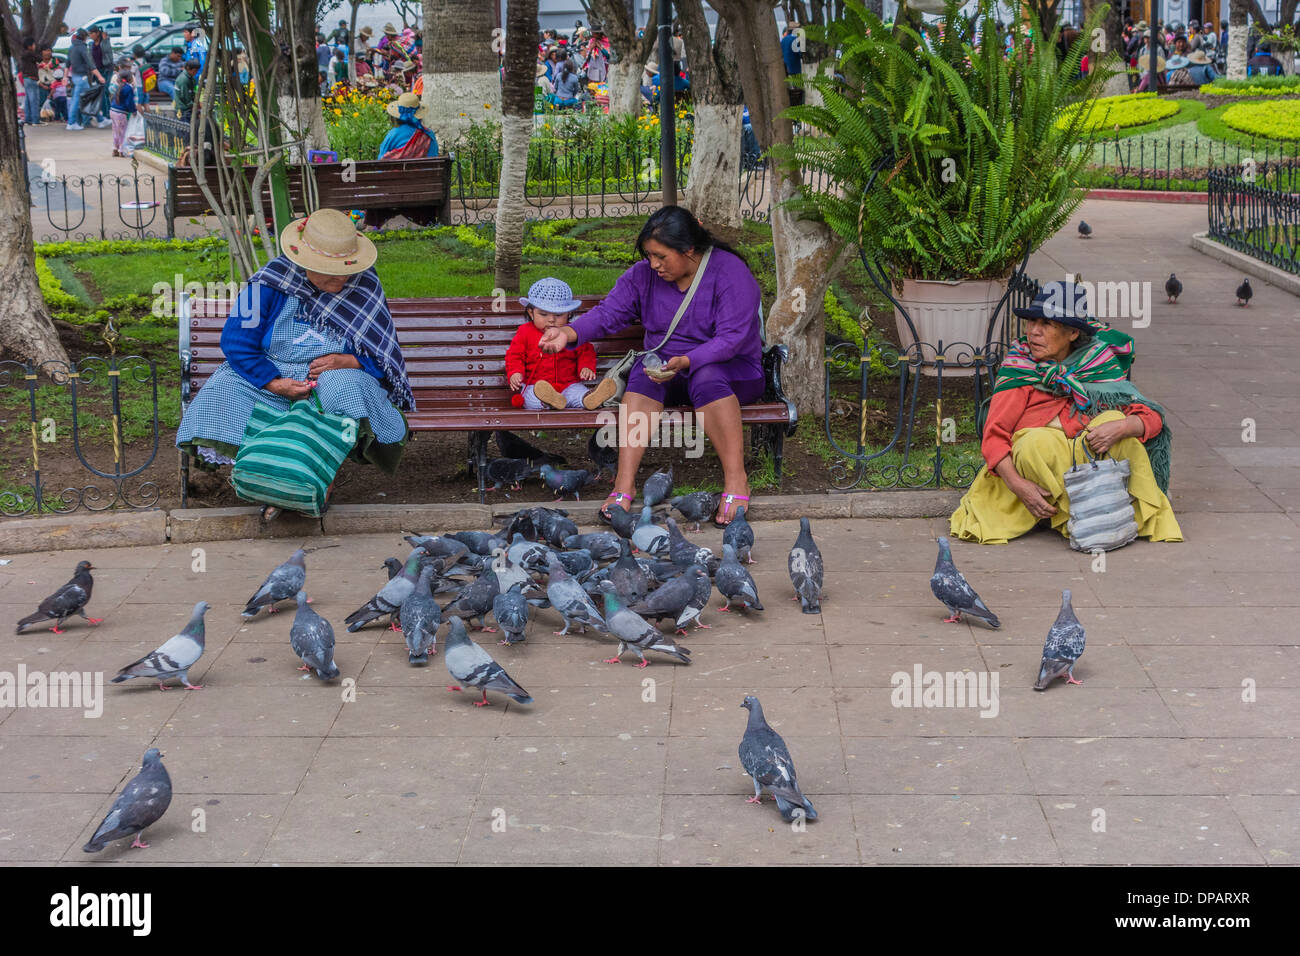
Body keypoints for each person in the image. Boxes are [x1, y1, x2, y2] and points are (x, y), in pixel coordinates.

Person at [175, 209, 413, 518]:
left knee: (346, 390)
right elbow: (236, 342)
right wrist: (275, 382)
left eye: (345, 268)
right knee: (223, 389)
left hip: (331, 378)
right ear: (304, 262)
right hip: (272, 374)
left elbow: (384, 356)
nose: (341, 277)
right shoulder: (266, 284)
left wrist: (349, 360)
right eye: (329, 270)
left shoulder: (364, 285)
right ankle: (270, 476)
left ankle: (316, 477)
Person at [538, 206, 765, 527]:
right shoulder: (643, 276)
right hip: (669, 371)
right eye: (649, 256)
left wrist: (689, 360)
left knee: (706, 375)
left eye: (661, 256)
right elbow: (607, 314)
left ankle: (736, 480)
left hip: (733, 370)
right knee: (645, 375)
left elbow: (732, 338)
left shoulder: (730, 272)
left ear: (688, 250)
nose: (654, 264)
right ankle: (624, 484)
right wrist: (567, 332)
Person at [949, 282, 1181, 546]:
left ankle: (1098, 519)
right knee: (1035, 442)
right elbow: (994, 437)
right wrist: (1018, 486)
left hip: (1088, 467)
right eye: (1031, 322)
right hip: (1034, 481)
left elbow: (1151, 418)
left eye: (1046, 324)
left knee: (1116, 423)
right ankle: (1092, 520)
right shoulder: (1020, 369)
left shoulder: (1097, 364)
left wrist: (1123, 427)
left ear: (1072, 333)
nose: (1034, 332)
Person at [507, 278, 612, 411]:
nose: (551, 320)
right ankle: (548, 401)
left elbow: (586, 350)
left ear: (569, 314)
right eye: (543, 314)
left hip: (569, 385)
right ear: (531, 312)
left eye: (558, 315)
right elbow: (514, 355)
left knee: (578, 393)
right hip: (536, 385)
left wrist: (586, 366)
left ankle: (589, 398)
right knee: (533, 398)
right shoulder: (525, 332)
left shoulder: (571, 333)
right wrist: (515, 372)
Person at [109, 67, 137, 157]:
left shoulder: (117, 86)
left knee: (115, 131)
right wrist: (133, 111)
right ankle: (122, 150)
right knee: (123, 132)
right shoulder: (129, 88)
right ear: (130, 78)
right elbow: (130, 102)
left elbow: (111, 91)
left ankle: (115, 149)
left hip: (112, 111)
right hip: (121, 113)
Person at [20, 36, 41, 125]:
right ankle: (35, 120)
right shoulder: (30, 53)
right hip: (31, 78)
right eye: (33, 45)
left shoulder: (23, 54)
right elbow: (39, 58)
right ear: (29, 46)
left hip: (26, 78)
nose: (34, 46)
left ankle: (27, 119)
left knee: (28, 100)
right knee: (34, 100)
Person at [173, 58, 199, 122]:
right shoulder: (184, 80)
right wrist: (195, 106)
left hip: (187, 108)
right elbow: (185, 97)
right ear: (188, 69)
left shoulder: (190, 77)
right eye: (194, 70)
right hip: (183, 109)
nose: (196, 72)